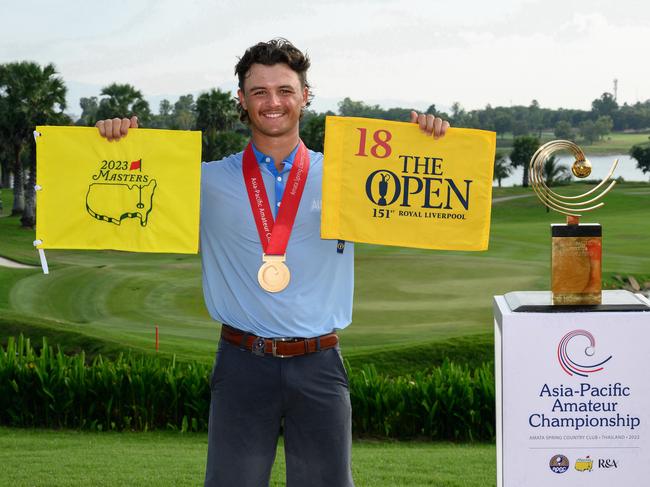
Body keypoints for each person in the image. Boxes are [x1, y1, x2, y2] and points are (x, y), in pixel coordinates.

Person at [96, 38, 449, 487]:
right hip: (243, 364)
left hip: (320, 363)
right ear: (241, 100)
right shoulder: (204, 182)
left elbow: (425, 190)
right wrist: (113, 145)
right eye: (259, 91)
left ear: (305, 96)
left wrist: (434, 143)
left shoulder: (349, 178)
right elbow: (121, 196)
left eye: (284, 89)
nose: (273, 102)